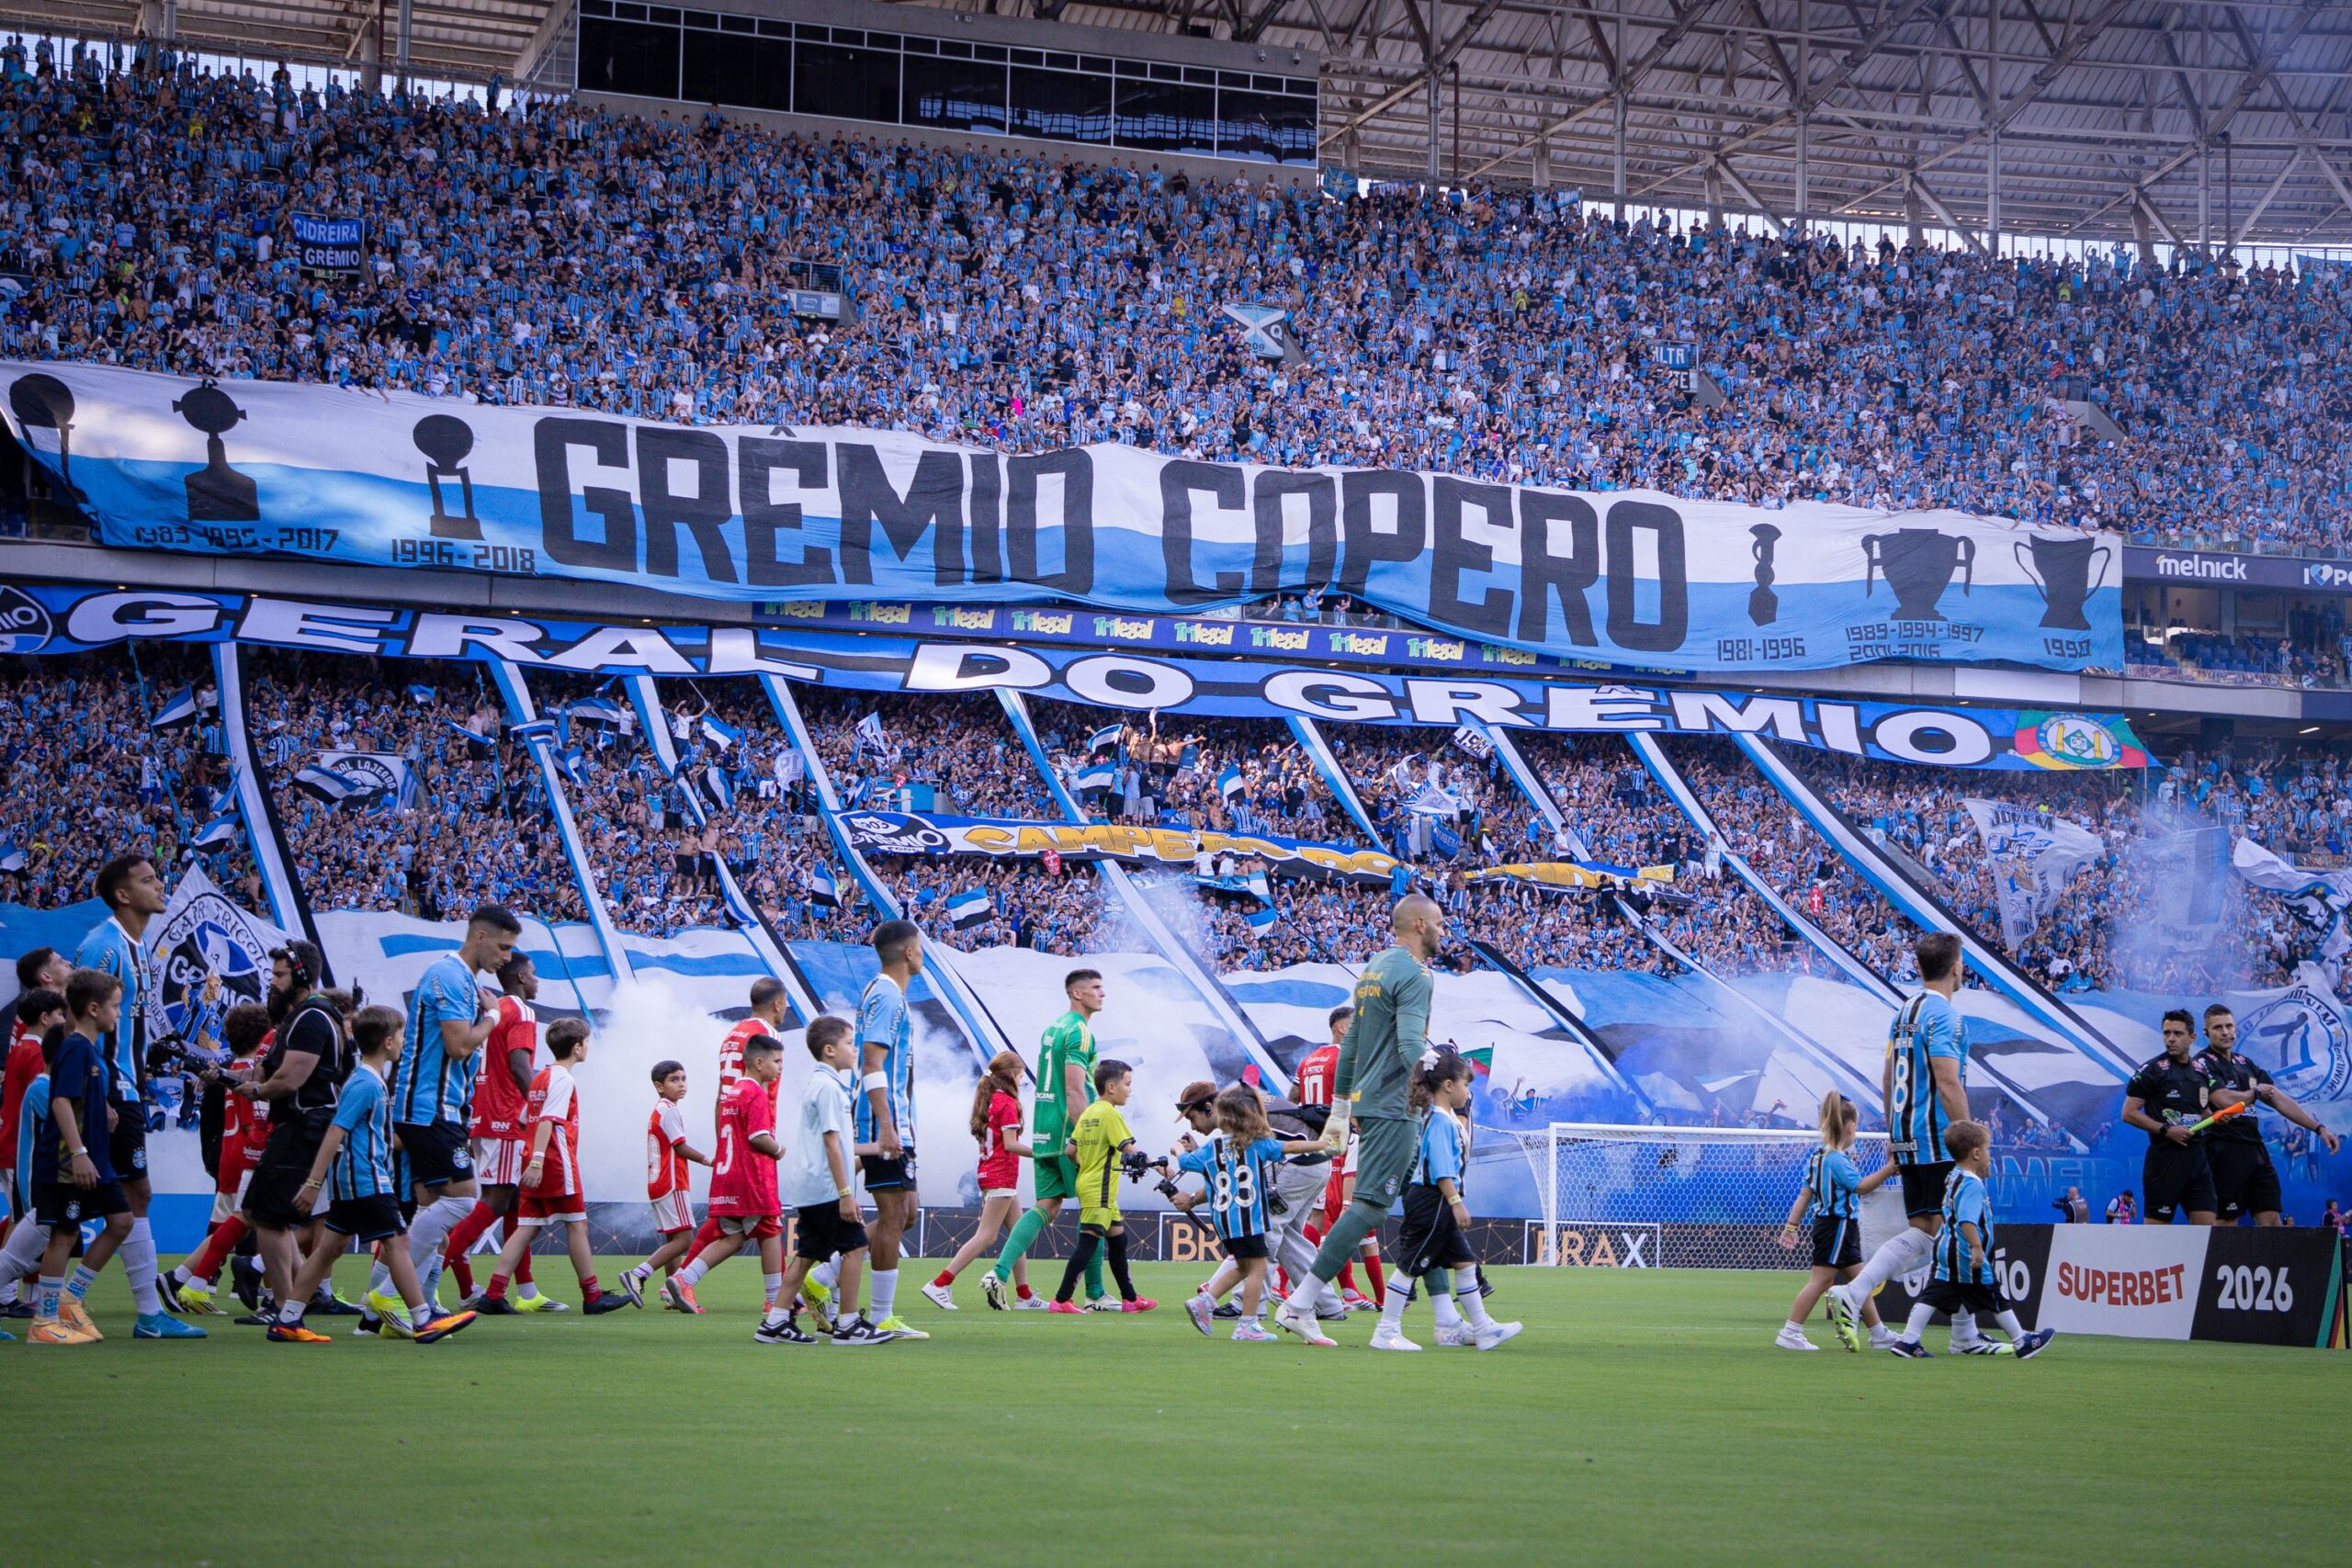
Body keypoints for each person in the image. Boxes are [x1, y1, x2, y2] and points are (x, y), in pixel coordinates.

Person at [1272, 894, 1442, 1347]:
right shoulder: (1415, 974)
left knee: (1428, 1200)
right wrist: (1438, 1084)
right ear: (1421, 924)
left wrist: (1343, 1108)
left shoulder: (1375, 969)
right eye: (1441, 924)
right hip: (1396, 1103)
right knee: (1369, 1206)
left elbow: (1351, 1048)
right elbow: (1410, 1044)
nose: (1444, 932)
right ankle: (1301, 1303)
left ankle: (1451, 1318)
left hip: (1374, 1103)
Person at [269, 1005, 478, 1344]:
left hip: (353, 1183)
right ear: (389, 1041)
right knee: (399, 1243)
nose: (405, 1042)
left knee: (328, 1249)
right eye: (402, 1036)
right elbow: (336, 1131)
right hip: (366, 1181)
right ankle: (423, 1318)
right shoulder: (366, 1083)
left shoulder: (370, 1080)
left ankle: (288, 1318)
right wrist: (312, 1183)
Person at [1826, 931, 1981, 1354]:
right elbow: (1947, 1080)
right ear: (1955, 967)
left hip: (1910, 1136)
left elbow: (1887, 1077)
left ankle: (1963, 1334)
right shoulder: (1945, 1016)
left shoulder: (1903, 1011)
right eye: (1962, 961)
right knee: (1941, 1230)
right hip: (1937, 1140)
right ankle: (1857, 1294)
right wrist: (1969, 1139)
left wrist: (1896, 1131)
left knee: (1937, 1231)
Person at [74, 852, 203, 1338]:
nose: (160, 885)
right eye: (149, 880)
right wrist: (97, 1091)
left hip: (127, 1086)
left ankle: (142, 1312)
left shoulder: (139, 948)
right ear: (123, 895)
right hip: (106, 1089)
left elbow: (127, 1027)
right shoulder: (103, 947)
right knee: (94, 1201)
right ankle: (140, 1312)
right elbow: (78, 1025)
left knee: (122, 1199)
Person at [387, 903, 522, 1313]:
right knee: (464, 1200)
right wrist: (495, 1017)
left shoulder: (463, 979)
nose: (507, 958)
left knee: (432, 1210)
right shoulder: (449, 974)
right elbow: (459, 1044)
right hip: (429, 1107)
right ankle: (387, 1296)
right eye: (502, 947)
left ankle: (415, 1304)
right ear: (479, 937)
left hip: (443, 1107)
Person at [469, 1019, 634, 1314]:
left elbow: (523, 1119)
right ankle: (592, 1295)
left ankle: (493, 1293)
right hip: (555, 1163)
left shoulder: (541, 1078)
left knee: (527, 1228)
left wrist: (531, 1156)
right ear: (577, 1047)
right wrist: (538, 1160)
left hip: (538, 1162)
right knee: (578, 1225)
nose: (588, 1047)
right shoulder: (563, 1079)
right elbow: (547, 1120)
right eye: (586, 1042)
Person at [1370, 1051, 1520, 1351]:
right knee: (1410, 1266)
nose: (1468, 1092)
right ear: (1448, 1085)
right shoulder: (1440, 1120)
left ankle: (1482, 1328)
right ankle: (1386, 1331)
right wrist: (1455, 1202)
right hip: (1432, 1201)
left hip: (1437, 1201)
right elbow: (1440, 1170)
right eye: (1466, 1085)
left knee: (1465, 1263)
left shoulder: (1446, 1118)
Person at [238, 942, 353, 1325]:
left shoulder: (310, 1018)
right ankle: (292, 1304)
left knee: (265, 1214)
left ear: (302, 975)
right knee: (277, 1216)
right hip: (308, 1127)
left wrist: (257, 1090)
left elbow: (290, 1078)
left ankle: (286, 1309)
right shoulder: (315, 1016)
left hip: (303, 1127)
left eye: (280, 975)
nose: (272, 982)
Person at [984, 967, 1107, 1311]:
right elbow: (1073, 1088)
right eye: (1096, 988)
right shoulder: (1080, 1031)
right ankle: (1095, 1293)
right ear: (1076, 994)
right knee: (1093, 1206)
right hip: (1069, 1130)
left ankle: (999, 1272)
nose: (1102, 993)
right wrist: (1087, 1134)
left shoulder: (1053, 1028)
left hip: (1044, 1129)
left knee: (1047, 1206)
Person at [435, 954, 553, 1311]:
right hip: (507, 1118)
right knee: (497, 1200)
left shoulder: (492, 1011)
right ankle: (421, 1284)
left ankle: (525, 1292)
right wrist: (542, 1109)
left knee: (517, 1202)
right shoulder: (521, 1010)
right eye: (533, 974)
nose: (537, 982)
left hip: (483, 1114)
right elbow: (520, 1066)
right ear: (520, 976)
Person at [27, 968, 134, 1345]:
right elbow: (59, 1101)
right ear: (93, 1008)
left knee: (122, 1220)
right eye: (115, 1007)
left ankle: (70, 1299)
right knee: (64, 1234)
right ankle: (43, 1322)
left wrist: (102, 1106)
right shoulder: (74, 1047)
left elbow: (77, 1094)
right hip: (66, 1163)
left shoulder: (87, 1050)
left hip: (93, 1161)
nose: (119, 1014)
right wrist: (79, 1152)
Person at [1885, 1121, 2054, 1359]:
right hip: (1964, 1251)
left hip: (1945, 1247)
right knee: (1992, 1292)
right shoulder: (1973, 1185)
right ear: (1975, 1153)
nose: (1989, 1156)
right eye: (1987, 1150)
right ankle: (2022, 1341)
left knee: (1933, 1293)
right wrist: (1976, 1246)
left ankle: (1908, 1340)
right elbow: (1966, 1220)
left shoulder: (1954, 1175)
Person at [672, 976, 797, 1302]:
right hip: (753, 1142)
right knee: (769, 1224)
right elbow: (766, 1096)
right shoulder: (767, 1037)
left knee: (732, 1229)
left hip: (730, 1136)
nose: (778, 1066)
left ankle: (682, 1280)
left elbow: (720, 1095)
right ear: (778, 1004)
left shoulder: (732, 1035)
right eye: (777, 1062)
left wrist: (723, 1144)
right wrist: (771, 1142)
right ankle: (777, 1301)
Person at [1174, 1085, 1330, 1341]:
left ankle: (1206, 1301)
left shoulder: (1212, 1148)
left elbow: (1185, 1162)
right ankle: (1247, 1324)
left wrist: (1177, 1150)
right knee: (1258, 1268)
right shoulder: (1258, 1144)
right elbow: (1290, 1147)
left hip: (1224, 1220)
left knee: (1243, 1266)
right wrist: (1322, 1144)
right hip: (1249, 1218)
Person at [767, 1015, 887, 1347]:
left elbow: (841, 1142)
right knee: (856, 1245)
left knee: (806, 1254)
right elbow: (832, 1142)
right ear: (830, 1049)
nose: (855, 1049)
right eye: (850, 1043)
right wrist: (846, 1193)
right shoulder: (830, 1088)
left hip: (810, 1186)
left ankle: (776, 1321)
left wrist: (876, 1148)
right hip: (826, 1188)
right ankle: (848, 1324)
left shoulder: (820, 1085)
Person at [164, 1001, 272, 1312]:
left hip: (229, 1154)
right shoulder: (247, 1075)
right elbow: (254, 1120)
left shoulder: (231, 1070)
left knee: (224, 1224)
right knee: (261, 1223)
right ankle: (271, 1293)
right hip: (245, 1156)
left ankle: (196, 1283)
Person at [2195, 1003, 2339, 1224]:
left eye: (2229, 1026)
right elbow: (2223, 1100)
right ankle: (2222, 1260)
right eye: (2217, 1028)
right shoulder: (2201, 1063)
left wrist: (2318, 1128)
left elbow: (2277, 1098)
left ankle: (2273, 1260)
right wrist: (2255, 1092)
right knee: (2226, 1223)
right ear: (2206, 1033)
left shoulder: (2246, 1063)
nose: (2225, 1032)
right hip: (2224, 1150)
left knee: (2272, 1220)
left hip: (2256, 1150)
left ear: (2235, 1029)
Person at [854, 919, 929, 1339]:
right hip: (885, 1120)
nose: (923, 954)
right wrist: (885, 1125)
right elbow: (871, 1062)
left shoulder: (885, 993)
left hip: (897, 1118)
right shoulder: (886, 994)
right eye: (920, 947)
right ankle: (881, 1314)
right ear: (907, 952)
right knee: (894, 1212)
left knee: (907, 1213)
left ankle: (825, 1275)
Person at [1775, 1091, 1895, 1351]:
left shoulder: (1818, 1156)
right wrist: (1890, 1168)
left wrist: (1791, 1227)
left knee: (1862, 1280)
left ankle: (1879, 1333)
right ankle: (1790, 1332)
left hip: (1835, 1226)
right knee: (1820, 1281)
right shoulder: (1838, 1160)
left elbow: (1805, 1195)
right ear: (1851, 1127)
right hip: (1837, 1225)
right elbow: (1862, 1187)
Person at [924, 1050, 1039, 1311]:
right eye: (1020, 1075)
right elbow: (1010, 1144)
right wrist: (1041, 1153)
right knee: (986, 1236)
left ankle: (1024, 1295)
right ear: (1011, 1074)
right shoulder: (1007, 1102)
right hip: (1001, 1174)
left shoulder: (991, 1100)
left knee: (1018, 1234)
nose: (1022, 1080)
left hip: (994, 1173)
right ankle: (940, 1283)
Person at [1051, 1057, 1157, 1313]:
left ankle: (1130, 1300)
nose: (1130, 1090)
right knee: (1088, 1243)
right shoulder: (1110, 1114)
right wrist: (1159, 1165)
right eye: (1127, 1084)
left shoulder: (1089, 1112)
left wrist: (1085, 1165)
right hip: (1100, 1189)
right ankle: (1062, 1299)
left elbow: (1069, 1151)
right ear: (1111, 1087)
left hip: (1093, 1186)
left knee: (1119, 1241)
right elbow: (1129, 1149)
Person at [1295, 1003, 1380, 1311]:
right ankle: (1284, 1280)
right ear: (1342, 1028)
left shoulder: (1308, 1060)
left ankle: (1347, 1289)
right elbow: (1356, 1098)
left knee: (1314, 1215)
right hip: (1338, 1139)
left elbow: (1295, 1098)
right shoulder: (1347, 1057)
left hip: (1310, 1140)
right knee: (1330, 1215)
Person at [620, 1060, 710, 1302]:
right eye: (674, 1080)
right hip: (672, 1182)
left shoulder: (660, 1109)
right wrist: (708, 1159)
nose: (681, 1084)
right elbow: (680, 1147)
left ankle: (672, 1292)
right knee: (685, 1239)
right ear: (659, 1086)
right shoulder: (669, 1110)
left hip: (658, 1182)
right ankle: (638, 1274)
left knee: (674, 1238)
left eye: (683, 1078)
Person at [2122, 1010, 2221, 1224]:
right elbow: (2128, 1113)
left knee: (2210, 1233)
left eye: (2177, 1033)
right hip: (2164, 1160)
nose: (2171, 1039)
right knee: (2156, 1234)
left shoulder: (2201, 1071)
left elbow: (2201, 1110)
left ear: (2192, 1037)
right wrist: (2166, 1130)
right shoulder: (2151, 1070)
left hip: (2197, 1160)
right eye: (2167, 1033)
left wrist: (2215, 1118)